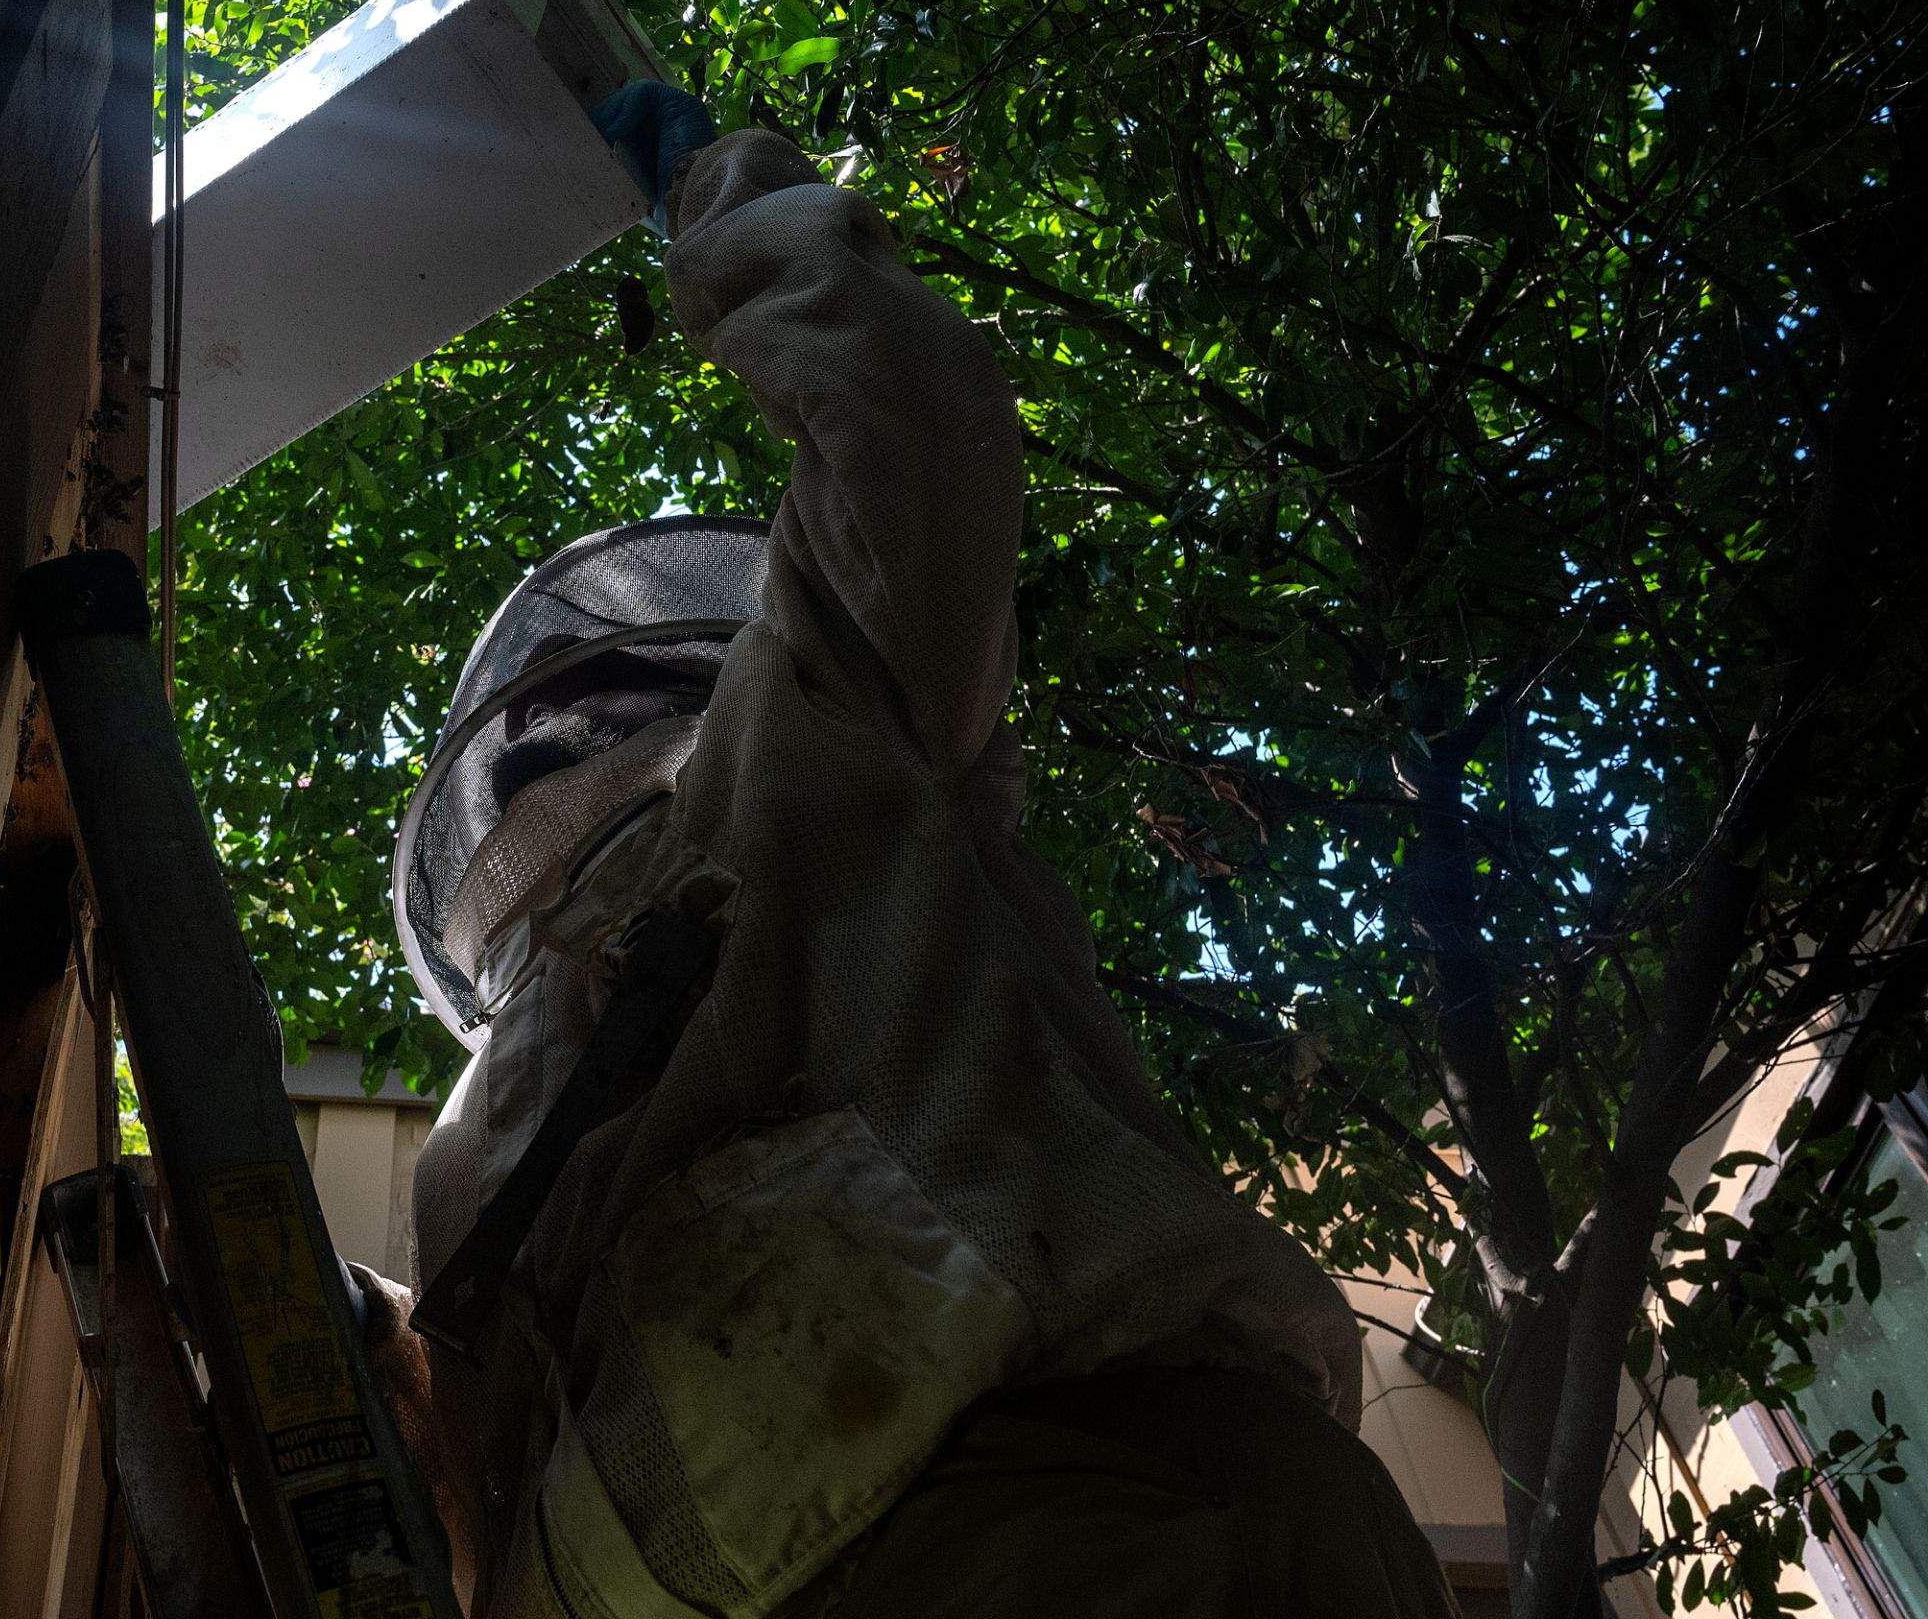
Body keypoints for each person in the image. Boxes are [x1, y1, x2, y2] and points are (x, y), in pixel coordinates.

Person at [354, 81, 1458, 1618]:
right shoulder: (786, 752)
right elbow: (914, 416)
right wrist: (723, 192)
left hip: (1106, 1527)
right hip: (1148, 1515)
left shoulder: (774, 766)